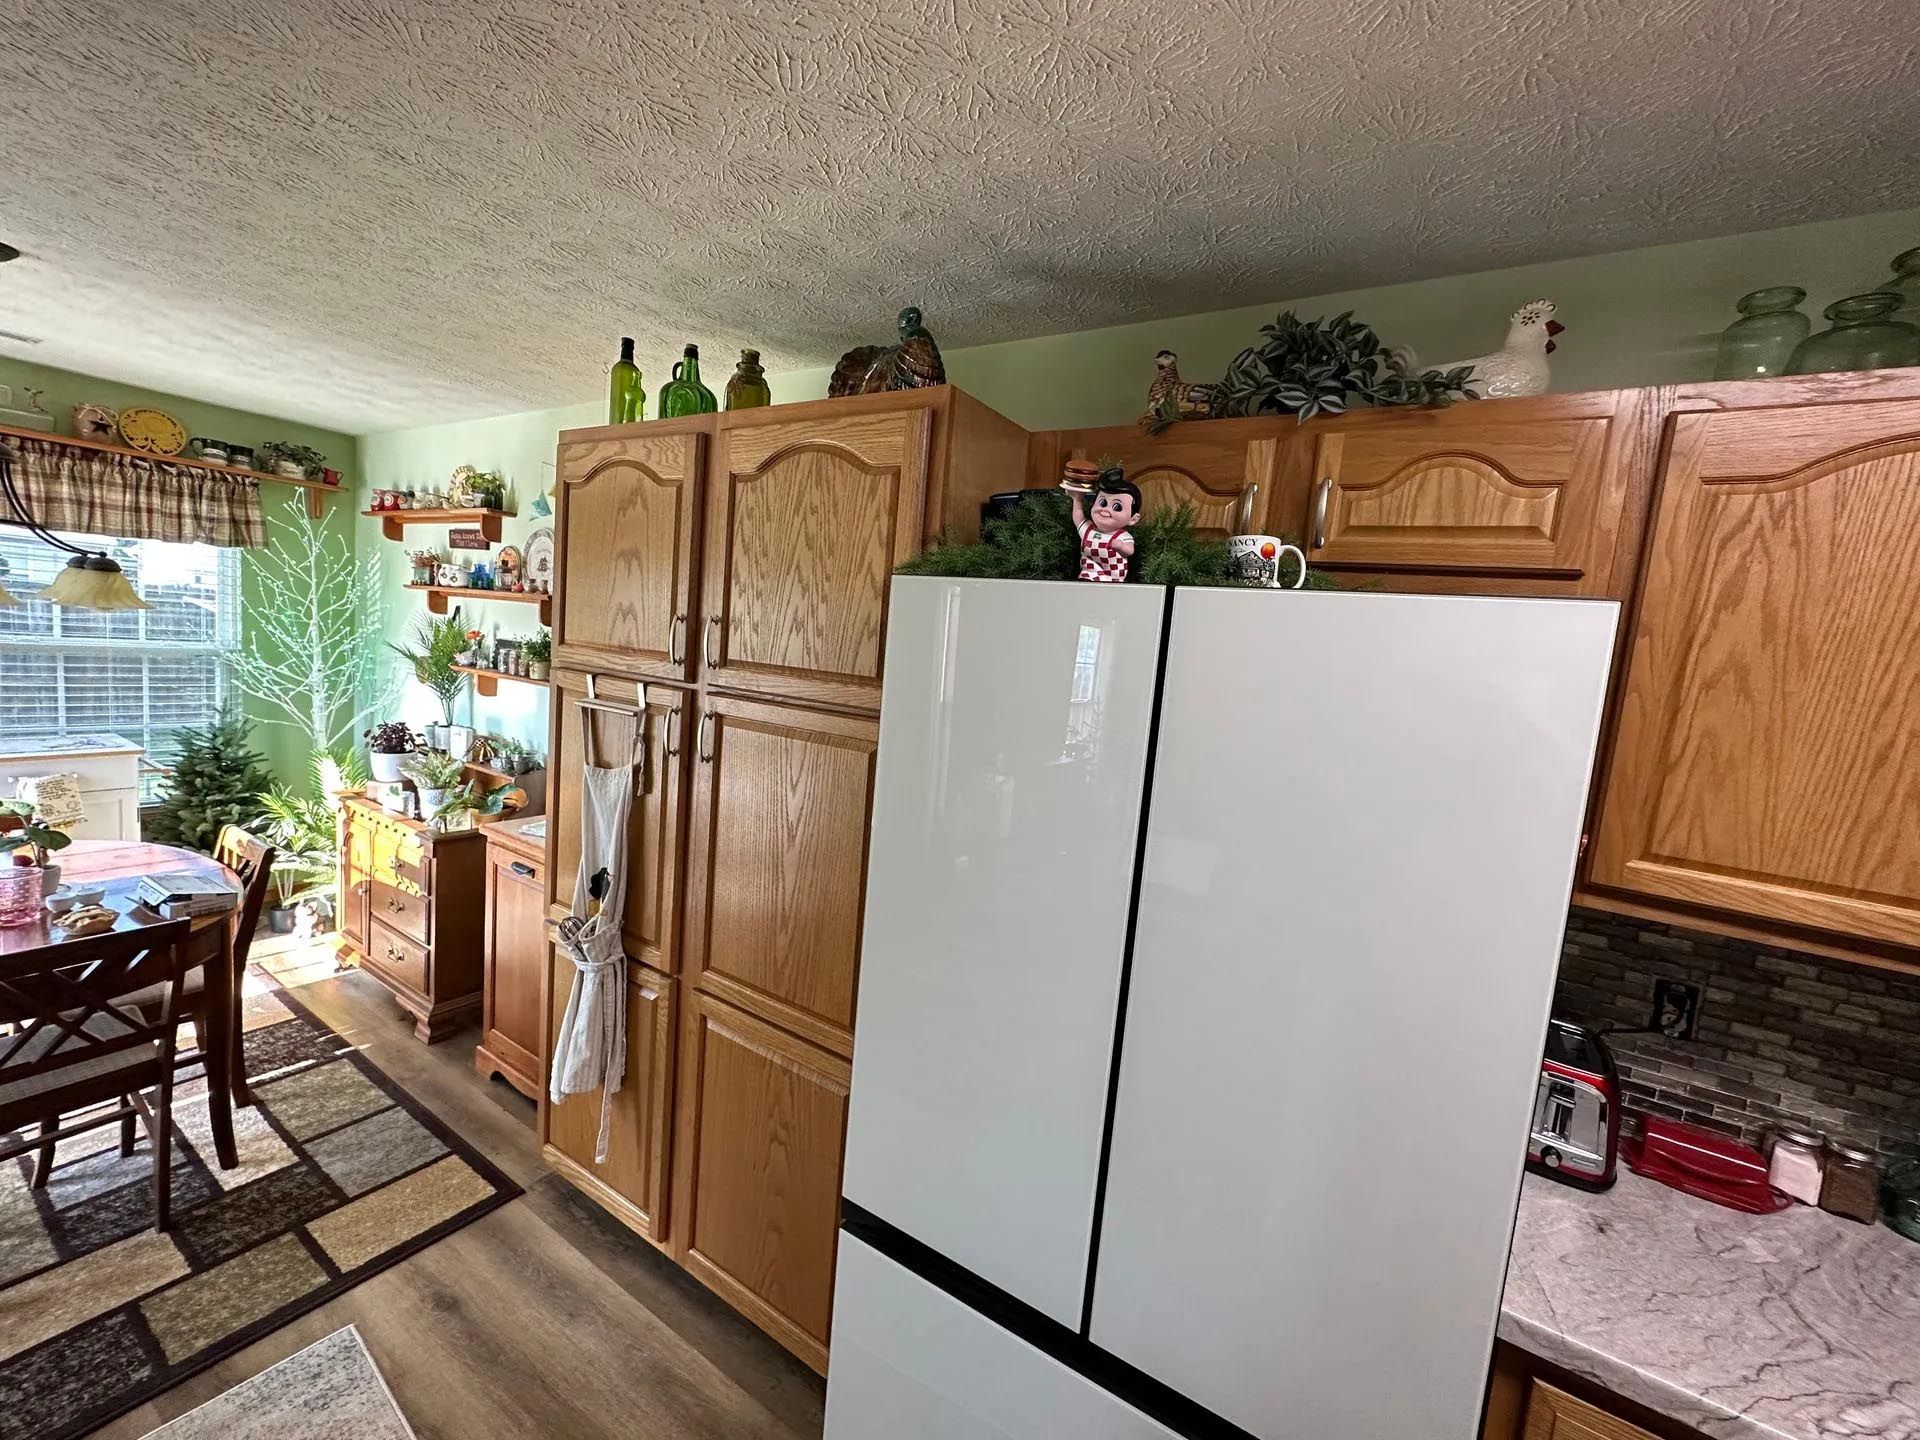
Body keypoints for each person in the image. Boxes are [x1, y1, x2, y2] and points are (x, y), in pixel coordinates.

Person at [1068, 471, 1141, 583]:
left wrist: (1121, 546)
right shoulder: (1088, 530)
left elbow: (1130, 550)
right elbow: (1078, 518)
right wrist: (1077, 500)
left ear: (1133, 519)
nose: (1105, 509)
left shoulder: (1122, 536)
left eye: (1117, 507)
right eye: (1102, 502)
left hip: (1113, 577)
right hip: (1090, 574)